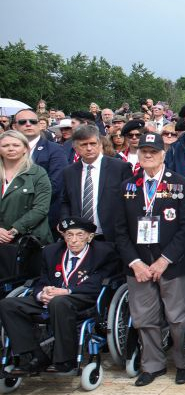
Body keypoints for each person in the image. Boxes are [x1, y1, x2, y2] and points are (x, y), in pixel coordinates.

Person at [113, 131, 185, 387]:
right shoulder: (127, 185)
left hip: (171, 264)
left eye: (153, 151)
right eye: (144, 151)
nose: (148, 155)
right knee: (144, 318)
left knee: (178, 317)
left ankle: (182, 362)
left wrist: (164, 260)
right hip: (138, 264)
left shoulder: (180, 184)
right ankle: (153, 364)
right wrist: (135, 263)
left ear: (163, 154)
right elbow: (119, 230)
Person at [0, 217, 117, 375]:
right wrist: (42, 293)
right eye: (69, 235)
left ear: (90, 237)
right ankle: (35, 355)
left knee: (59, 302)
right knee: (8, 305)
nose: (73, 240)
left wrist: (68, 291)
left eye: (79, 235)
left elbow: (98, 282)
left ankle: (65, 360)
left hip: (82, 298)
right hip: (51, 299)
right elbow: (42, 279)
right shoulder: (51, 251)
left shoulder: (103, 252)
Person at [59, 125, 131, 244]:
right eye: (83, 144)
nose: (89, 148)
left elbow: (129, 201)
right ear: (75, 148)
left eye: (92, 143)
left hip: (111, 237)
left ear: (100, 144)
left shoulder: (120, 167)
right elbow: (66, 201)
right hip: (79, 238)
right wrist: (66, 223)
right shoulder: (69, 172)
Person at [0, 130, 54, 277]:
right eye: (5, 145)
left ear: (25, 148)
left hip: (29, 242)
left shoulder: (37, 173)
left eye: (16, 145)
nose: (11, 149)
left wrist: (14, 230)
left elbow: (41, 208)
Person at [12, 109, 67, 229]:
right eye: (22, 122)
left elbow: (56, 184)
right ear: (14, 126)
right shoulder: (6, 150)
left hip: (43, 217)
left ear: (39, 125)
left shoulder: (55, 150)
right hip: (9, 215)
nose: (28, 124)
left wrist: (24, 205)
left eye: (33, 121)